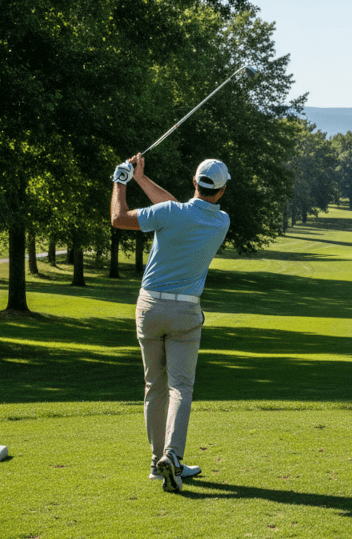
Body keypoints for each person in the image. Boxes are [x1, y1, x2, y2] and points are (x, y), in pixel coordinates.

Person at [110, 153, 230, 493]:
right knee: (181, 387)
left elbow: (119, 217)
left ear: (194, 181)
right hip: (185, 314)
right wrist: (140, 178)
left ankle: (155, 462)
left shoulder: (170, 214)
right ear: (221, 191)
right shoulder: (221, 222)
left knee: (154, 385)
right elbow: (178, 207)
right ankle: (173, 457)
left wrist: (120, 181)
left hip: (149, 308)